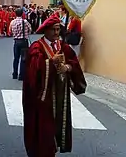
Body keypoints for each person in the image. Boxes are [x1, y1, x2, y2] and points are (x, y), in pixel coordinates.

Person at [23, 15, 87, 157]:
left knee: (58, 123)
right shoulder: (37, 47)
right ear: (46, 30)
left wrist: (68, 68)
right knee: (43, 126)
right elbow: (33, 70)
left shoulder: (63, 47)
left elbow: (74, 63)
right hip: (42, 95)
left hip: (60, 93)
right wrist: (50, 62)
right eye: (53, 29)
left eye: (58, 29)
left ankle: (53, 148)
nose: (56, 33)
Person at [8, 8, 31, 81]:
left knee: (16, 58)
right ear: (22, 14)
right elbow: (30, 30)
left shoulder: (12, 22)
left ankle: (15, 73)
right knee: (23, 59)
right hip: (24, 41)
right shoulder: (25, 21)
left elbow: (10, 31)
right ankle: (21, 75)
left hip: (16, 41)